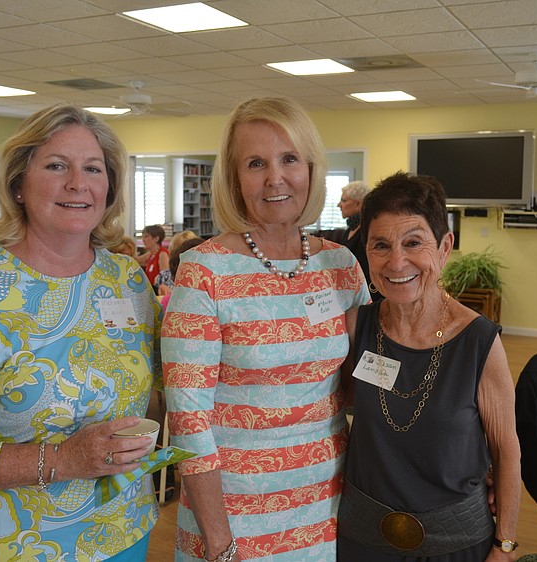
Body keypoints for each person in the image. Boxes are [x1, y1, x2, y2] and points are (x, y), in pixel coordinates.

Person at [0, 104, 163, 561]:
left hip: (125, 529)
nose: (77, 183)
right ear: (18, 184)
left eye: (93, 168)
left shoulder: (127, 279)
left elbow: (165, 379)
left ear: (109, 187)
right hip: (18, 543)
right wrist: (63, 460)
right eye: (57, 166)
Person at [163, 96, 370, 562]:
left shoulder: (340, 266)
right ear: (234, 179)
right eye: (256, 163)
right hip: (234, 511)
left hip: (330, 500)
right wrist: (219, 541)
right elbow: (189, 420)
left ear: (311, 169)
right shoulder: (204, 271)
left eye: (289, 159)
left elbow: (364, 385)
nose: (275, 178)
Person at [338, 171, 521, 562]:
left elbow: (506, 450)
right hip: (363, 539)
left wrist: (505, 545)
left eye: (413, 242)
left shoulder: (478, 342)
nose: (396, 262)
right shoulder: (357, 327)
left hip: (456, 543)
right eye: (381, 245)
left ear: (444, 247)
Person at [338, 180, 379, 302]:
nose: (339, 205)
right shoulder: (349, 230)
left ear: (357, 204)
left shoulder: (368, 230)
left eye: (344, 200)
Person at [137, 224, 170, 292]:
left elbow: (165, 279)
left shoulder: (162, 254)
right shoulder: (151, 254)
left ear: (156, 238)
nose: (143, 240)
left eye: (146, 236)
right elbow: (135, 260)